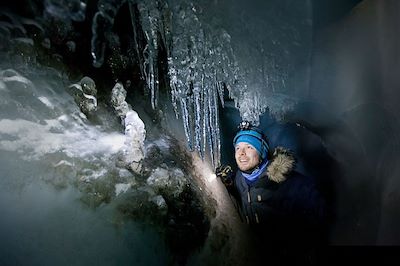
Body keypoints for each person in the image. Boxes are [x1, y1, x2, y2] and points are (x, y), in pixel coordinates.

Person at [217, 121, 328, 251]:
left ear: (261, 152)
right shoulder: (239, 179)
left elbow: (320, 213)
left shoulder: (288, 182)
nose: (241, 153)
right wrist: (228, 184)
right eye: (238, 147)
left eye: (249, 147)